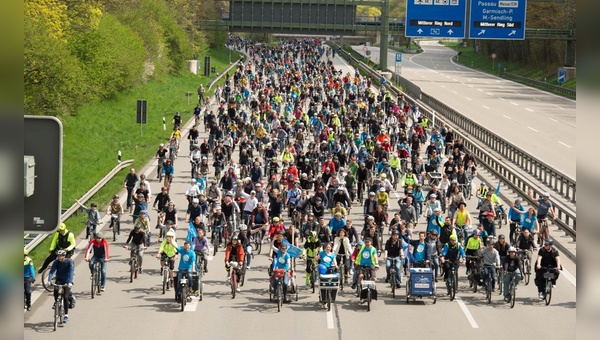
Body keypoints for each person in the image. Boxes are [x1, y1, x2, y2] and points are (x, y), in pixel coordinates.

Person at [47, 250, 75, 324]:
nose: (59, 257)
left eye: (60, 256)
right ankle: (56, 302)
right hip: (59, 280)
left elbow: (71, 272)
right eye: (58, 256)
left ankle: (66, 315)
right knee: (55, 290)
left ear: (64, 256)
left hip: (67, 281)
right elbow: (52, 271)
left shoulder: (69, 262)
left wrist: (69, 282)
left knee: (65, 297)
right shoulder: (56, 262)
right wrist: (49, 280)